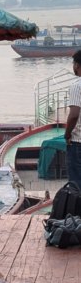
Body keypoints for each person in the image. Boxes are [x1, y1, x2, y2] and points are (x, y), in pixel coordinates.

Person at [65, 49, 81, 187]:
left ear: (77, 65)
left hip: (78, 142)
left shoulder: (77, 86)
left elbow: (74, 114)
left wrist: (67, 134)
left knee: (76, 184)